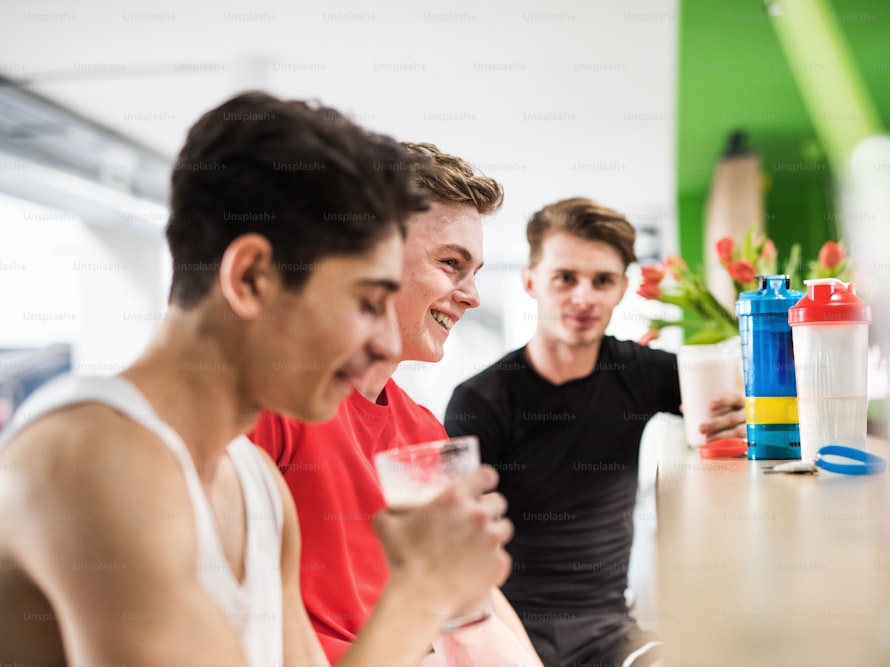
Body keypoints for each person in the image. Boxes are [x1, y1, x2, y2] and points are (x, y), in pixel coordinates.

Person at [0, 92, 513, 667]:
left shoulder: (256, 485)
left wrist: (428, 589)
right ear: (249, 279)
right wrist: (418, 593)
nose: (387, 345)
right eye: (366, 301)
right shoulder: (89, 458)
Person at [248, 142, 542, 666]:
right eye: (451, 263)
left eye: (474, 271)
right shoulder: (273, 407)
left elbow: (476, 593)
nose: (472, 295)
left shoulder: (424, 431)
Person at [444, 197, 747, 667]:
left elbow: (728, 395)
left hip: (609, 630)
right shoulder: (479, 401)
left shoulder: (638, 371)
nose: (583, 297)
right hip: (508, 630)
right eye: (565, 278)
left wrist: (742, 412)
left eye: (602, 280)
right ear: (530, 282)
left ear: (622, 288)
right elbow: (456, 554)